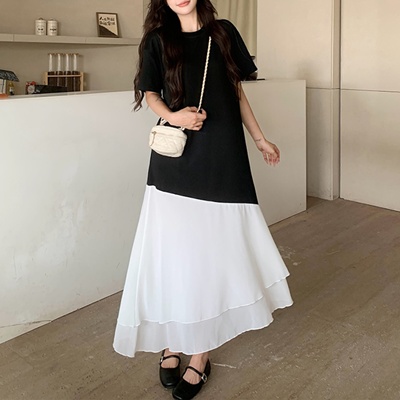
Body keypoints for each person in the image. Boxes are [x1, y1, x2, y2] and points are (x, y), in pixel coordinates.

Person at [113, 1, 293, 399]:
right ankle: (172, 340)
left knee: (212, 255)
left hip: (223, 157)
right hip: (175, 160)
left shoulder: (223, 33)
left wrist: (260, 139)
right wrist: (176, 117)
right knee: (173, 255)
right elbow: (151, 94)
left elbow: (236, 92)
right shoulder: (158, 40)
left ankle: (200, 353)